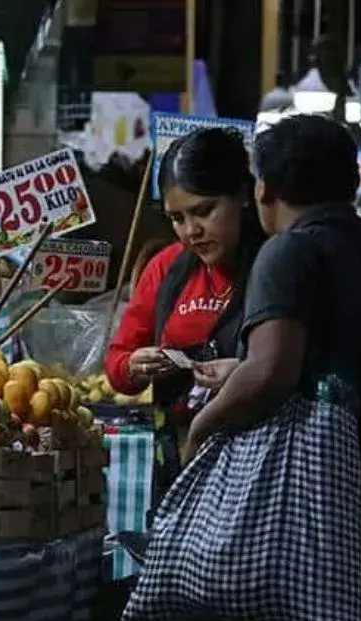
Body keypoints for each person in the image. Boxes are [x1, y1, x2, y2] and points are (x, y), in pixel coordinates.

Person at [122, 114, 361, 621]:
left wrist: (204, 430)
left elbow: (271, 373)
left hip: (317, 497)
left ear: (261, 188)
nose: (189, 230)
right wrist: (241, 368)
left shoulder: (286, 250)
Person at [103, 127, 266, 494]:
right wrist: (134, 365)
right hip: (179, 458)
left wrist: (246, 375)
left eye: (203, 211)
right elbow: (117, 365)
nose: (191, 231)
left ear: (242, 194)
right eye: (176, 219)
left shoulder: (275, 264)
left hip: (255, 467)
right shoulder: (165, 268)